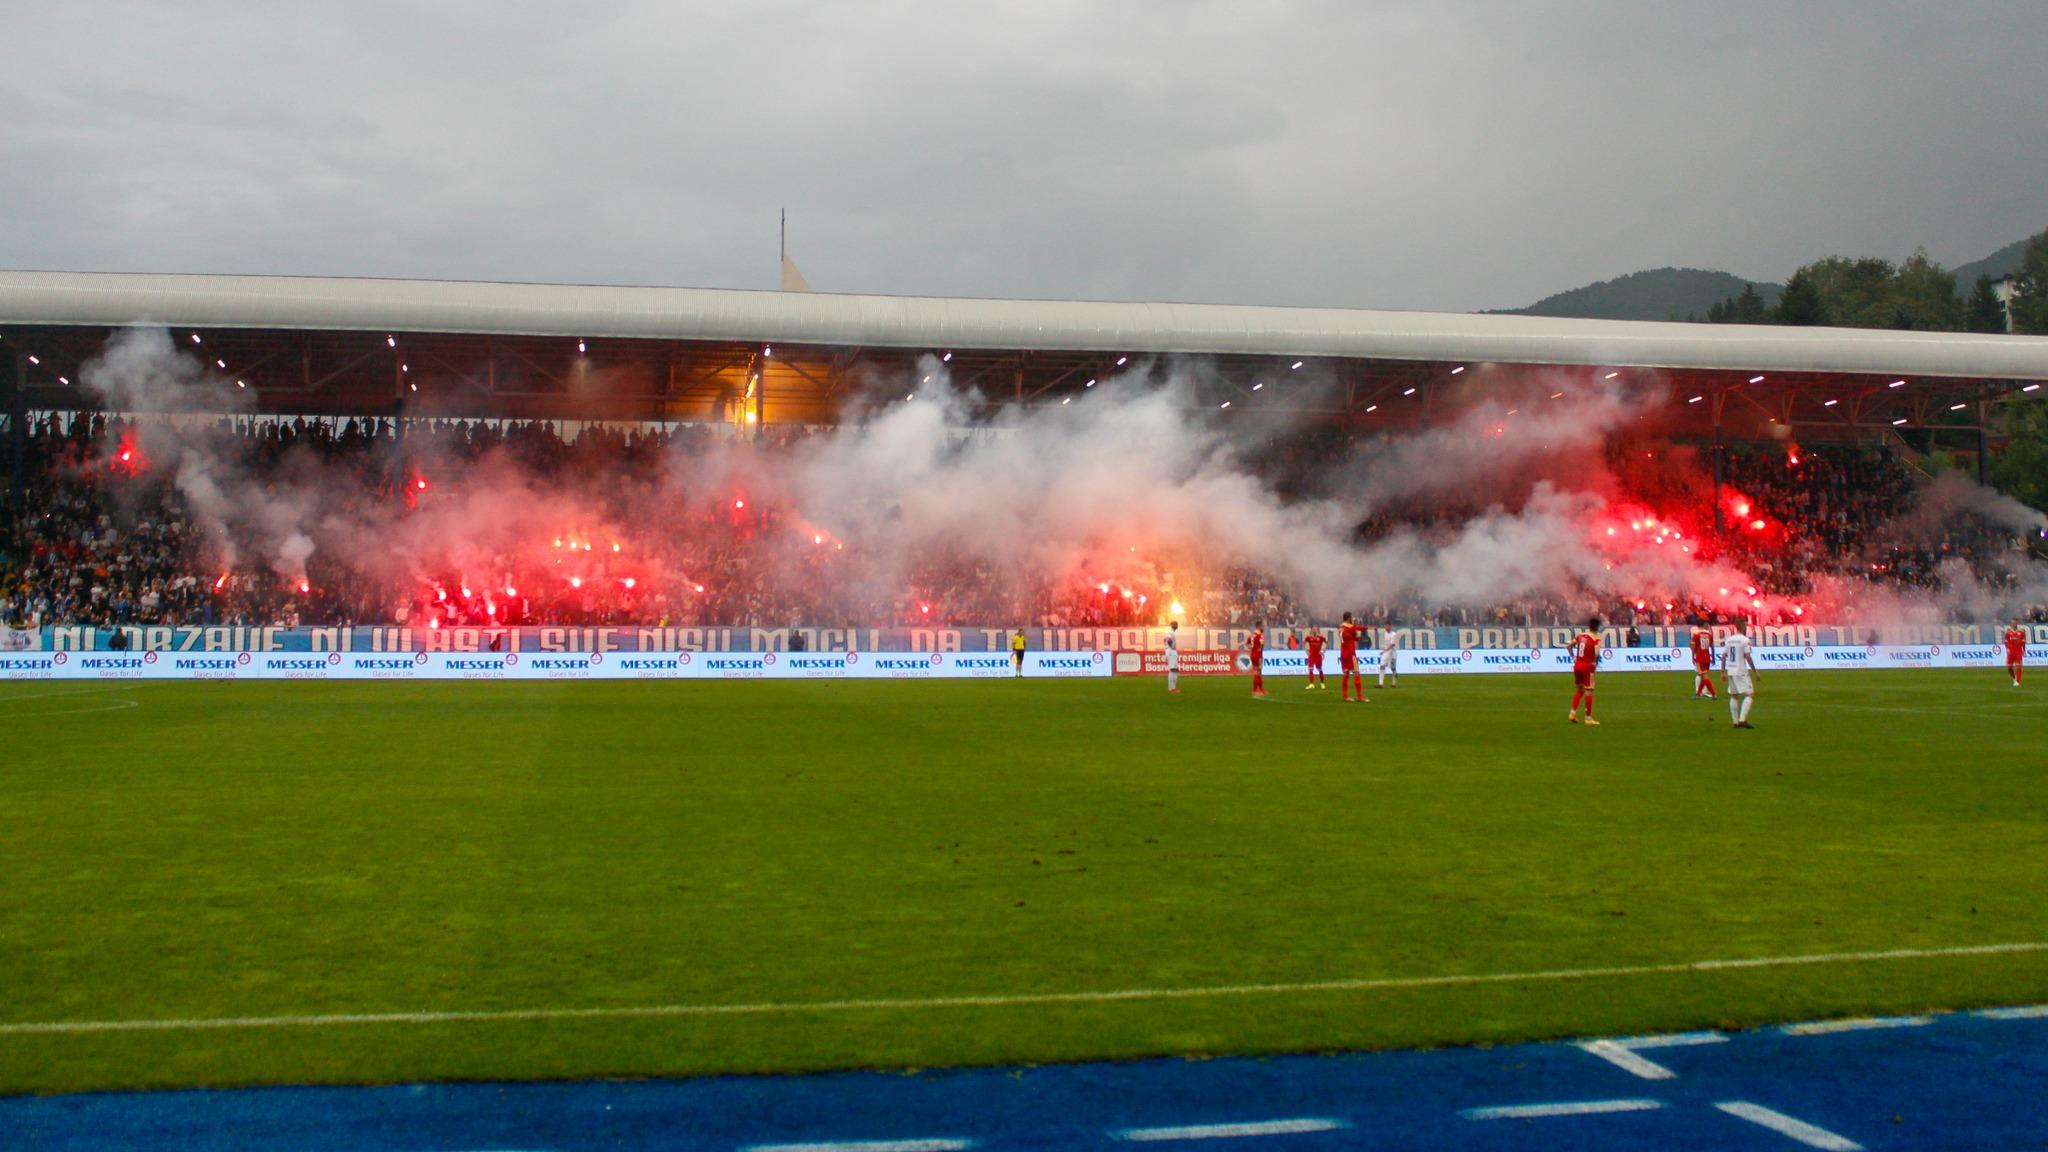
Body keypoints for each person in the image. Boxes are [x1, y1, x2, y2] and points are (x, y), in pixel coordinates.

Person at [1720, 618, 1757, 728]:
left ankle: (1735, 722)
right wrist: (1755, 671)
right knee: (1750, 694)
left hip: (1730, 670)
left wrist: (1723, 672)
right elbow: (1747, 657)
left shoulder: (1729, 640)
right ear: (1743, 626)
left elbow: (1723, 656)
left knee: (1734, 696)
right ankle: (1742, 720)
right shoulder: (1745, 640)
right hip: (1740, 671)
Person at [1568, 616, 1603, 725]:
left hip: (1577, 665)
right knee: (1589, 691)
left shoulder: (1581, 635)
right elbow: (1597, 653)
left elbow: (1568, 646)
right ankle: (1588, 718)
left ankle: (1572, 713)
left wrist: (1573, 657)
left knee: (1580, 690)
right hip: (1588, 666)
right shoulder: (1596, 638)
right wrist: (1595, 663)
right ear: (1597, 627)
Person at [1338, 611, 1369, 702]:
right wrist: (1370, 628)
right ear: (1348, 618)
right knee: (1356, 673)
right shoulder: (1351, 627)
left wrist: (1356, 636)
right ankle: (1360, 697)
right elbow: (1360, 629)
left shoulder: (1340, 627)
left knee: (1346, 674)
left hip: (1343, 653)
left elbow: (1354, 638)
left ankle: (1345, 696)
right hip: (1351, 653)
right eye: (1351, 617)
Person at [1690, 627, 1717, 700]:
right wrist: (1713, 658)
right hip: (1707, 657)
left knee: (1704, 676)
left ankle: (1714, 694)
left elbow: (1693, 647)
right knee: (1703, 676)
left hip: (1700, 657)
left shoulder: (1696, 635)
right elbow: (1712, 647)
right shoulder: (1709, 634)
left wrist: (1692, 657)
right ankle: (1698, 693)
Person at [1247, 622, 1268, 697]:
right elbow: (1262, 644)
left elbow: (1247, 643)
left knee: (1257, 672)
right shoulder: (1260, 635)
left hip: (1252, 654)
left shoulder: (1252, 634)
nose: (1263, 628)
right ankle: (1258, 690)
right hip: (1258, 655)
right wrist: (1259, 650)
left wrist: (1252, 649)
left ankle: (1257, 689)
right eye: (1262, 626)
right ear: (1259, 626)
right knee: (1258, 672)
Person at [2005, 618, 2027, 687]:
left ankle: (2017, 681)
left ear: (2017, 623)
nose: (2013, 624)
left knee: (2019, 666)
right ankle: (2014, 678)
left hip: (2018, 651)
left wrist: (2024, 650)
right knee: (2009, 667)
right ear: (2011, 624)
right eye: (2012, 623)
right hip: (2011, 652)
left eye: (2015, 623)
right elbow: (2006, 642)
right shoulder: (2008, 632)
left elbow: (2023, 642)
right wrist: (2008, 648)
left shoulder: (2021, 632)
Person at [1377, 622, 1400, 688]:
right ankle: (1380, 683)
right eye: (1385, 626)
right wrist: (1384, 651)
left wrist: (1384, 650)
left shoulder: (1394, 634)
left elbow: (1392, 645)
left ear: (1390, 626)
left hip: (1392, 653)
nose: (1386, 627)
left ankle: (1394, 683)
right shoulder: (1385, 634)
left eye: (1387, 626)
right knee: (1382, 665)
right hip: (1386, 652)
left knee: (1392, 668)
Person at [1164, 620, 1181, 694]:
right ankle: (1171, 689)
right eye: (1175, 624)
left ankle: (1173, 688)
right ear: (1172, 625)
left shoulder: (1170, 632)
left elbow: (1165, 640)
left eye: (1176, 624)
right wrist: (1172, 647)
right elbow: (1168, 640)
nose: (1176, 625)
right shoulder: (1170, 632)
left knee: (1176, 670)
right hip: (1171, 651)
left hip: (1171, 651)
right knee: (1173, 669)